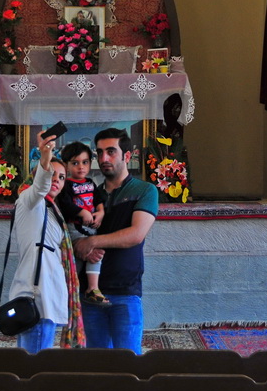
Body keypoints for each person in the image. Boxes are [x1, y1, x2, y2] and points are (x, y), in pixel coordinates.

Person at [74, 128, 159, 353]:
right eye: (99, 153)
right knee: (97, 366)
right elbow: (72, 232)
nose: (103, 159)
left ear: (127, 156)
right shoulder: (88, 194)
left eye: (111, 151)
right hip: (90, 293)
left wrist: (92, 243)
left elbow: (135, 234)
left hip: (125, 292)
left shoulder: (144, 190)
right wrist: (77, 245)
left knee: (128, 364)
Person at [8, 131, 84, 353]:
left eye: (62, 177)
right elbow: (40, 186)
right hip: (38, 298)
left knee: (30, 363)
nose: (57, 181)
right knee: (36, 366)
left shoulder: (53, 211)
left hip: (47, 295)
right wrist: (46, 156)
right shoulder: (30, 200)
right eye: (52, 174)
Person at [53, 142, 109, 306]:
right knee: (74, 261)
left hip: (91, 228)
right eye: (75, 163)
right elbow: (65, 205)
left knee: (96, 254)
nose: (81, 167)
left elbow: (98, 200)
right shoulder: (66, 184)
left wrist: (100, 213)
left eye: (85, 162)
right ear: (66, 165)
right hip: (75, 228)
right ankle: (69, 291)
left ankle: (93, 288)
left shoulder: (91, 183)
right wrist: (82, 212)